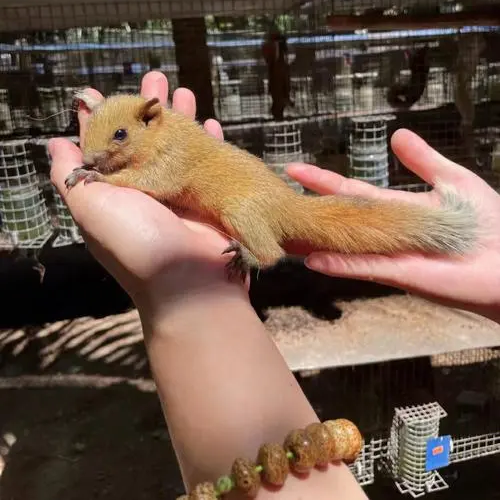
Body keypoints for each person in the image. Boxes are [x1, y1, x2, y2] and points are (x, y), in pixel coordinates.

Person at [48, 71, 500, 499]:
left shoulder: (168, 148)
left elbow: (156, 182)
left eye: (120, 138)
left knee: (244, 212)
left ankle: (260, 249)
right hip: (234, 210)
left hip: (255, 203)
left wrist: (106, 177)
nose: (103, 152)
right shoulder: (157, 138)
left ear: (151, 118)